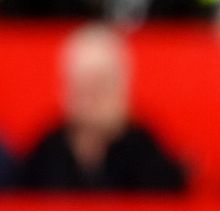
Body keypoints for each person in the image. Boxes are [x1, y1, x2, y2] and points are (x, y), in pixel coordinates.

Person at [14, 26, 187, 194]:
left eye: (100, 84)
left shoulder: (144, 149)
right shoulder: (48, 151)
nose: (91, 97)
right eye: (83, 85)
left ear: (121, 86)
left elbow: (170, 199)